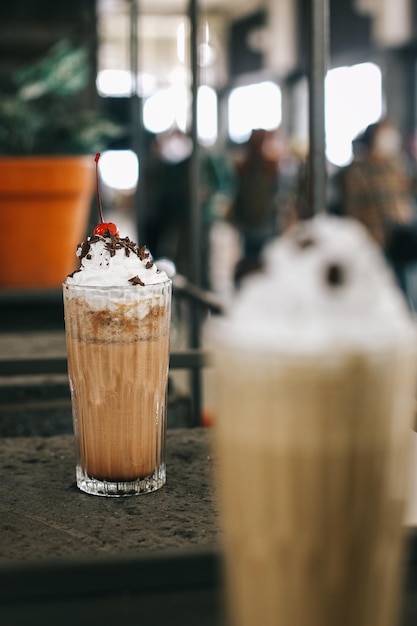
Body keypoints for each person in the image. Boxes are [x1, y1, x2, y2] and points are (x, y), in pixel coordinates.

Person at [339, 118, 417, 294]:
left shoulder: (396, 165)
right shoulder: (358, 170)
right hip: (375, 241)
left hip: (399, 239)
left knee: (403, 289)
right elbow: (353, 210)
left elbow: (409, 188)